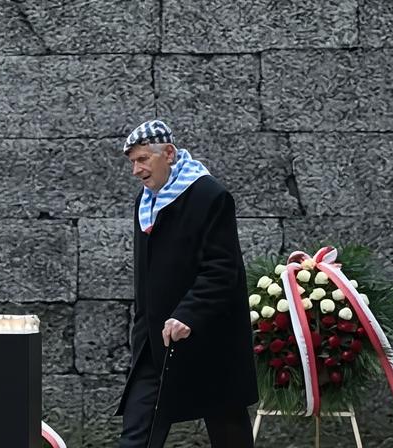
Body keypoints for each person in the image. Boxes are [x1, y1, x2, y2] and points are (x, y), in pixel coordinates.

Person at [115, 120, 258, 448]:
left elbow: (223, 269)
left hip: (208, 337)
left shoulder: (211, 196)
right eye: (132, 162)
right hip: (156, 340)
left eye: (142, 160)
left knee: (228, 430)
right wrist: (143, 332)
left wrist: (188, 314)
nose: (136, 170)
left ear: (168, 153)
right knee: (137, 433)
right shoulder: (145, 201)